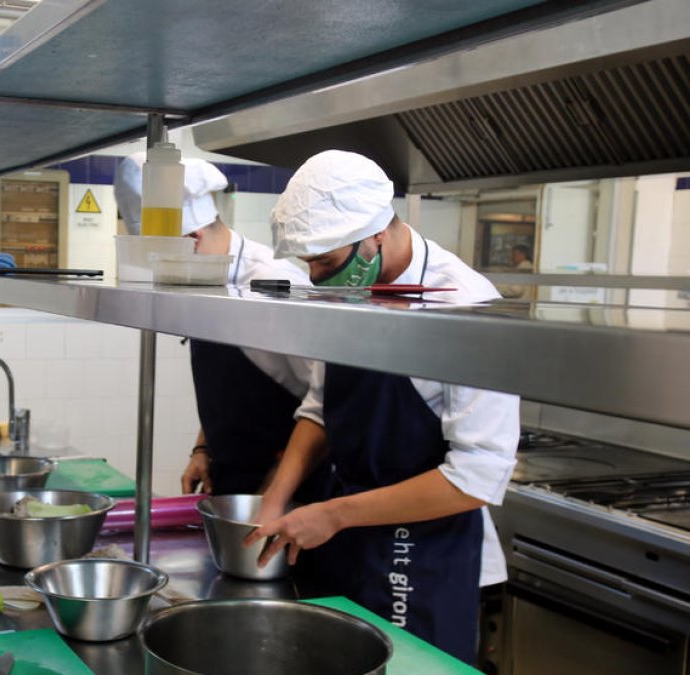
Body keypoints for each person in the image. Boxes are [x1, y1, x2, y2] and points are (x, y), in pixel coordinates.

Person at [249, 150, 519, 663]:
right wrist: (276, 497)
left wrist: (333, 514)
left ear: (376, 234)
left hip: (425, 554)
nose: (319, 277)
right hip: (347, 537)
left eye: (327, 262)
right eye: (310, 264)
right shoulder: (350, 292)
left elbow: (478, 476)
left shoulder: (466, 303)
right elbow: (320, 405)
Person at [114, 153, 313, 495]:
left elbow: (328, 400)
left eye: (158, 261)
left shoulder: (275, 286)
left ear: (192, 238)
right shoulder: (202, 282)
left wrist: (281, 482)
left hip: (294, 487)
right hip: (230, 474)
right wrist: (203, 448)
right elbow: (229, 392)